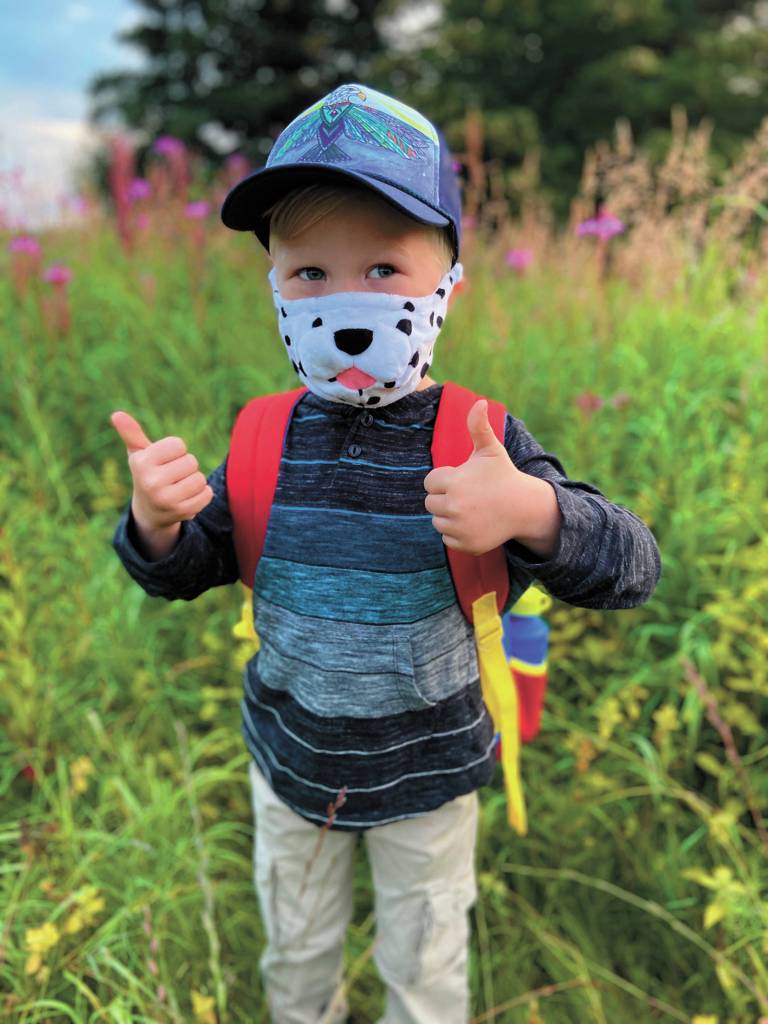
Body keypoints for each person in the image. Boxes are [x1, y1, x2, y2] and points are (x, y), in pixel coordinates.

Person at [111, 83, 662, 1024]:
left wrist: (530, 510)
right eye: (311, 274)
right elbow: (201, 561)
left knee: (425, 967)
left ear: (449, 283)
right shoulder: (262, 436)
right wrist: (159, 525)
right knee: (297, 956)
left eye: (383, 267)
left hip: (431, 779)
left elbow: (633, 565)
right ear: (275, 285)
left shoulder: (478, 436)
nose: (345, 302)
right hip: (290, 766)